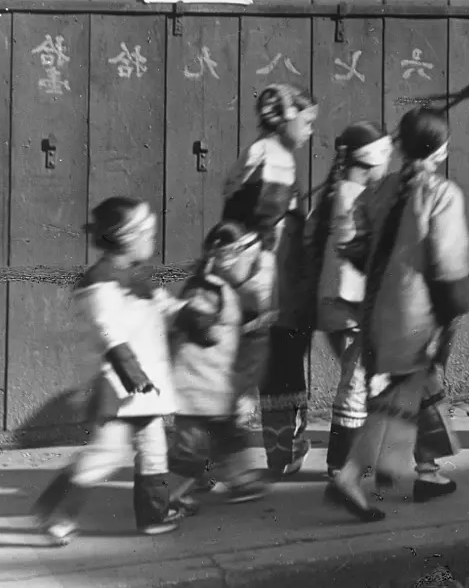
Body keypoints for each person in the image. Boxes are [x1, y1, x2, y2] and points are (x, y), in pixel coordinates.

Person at [31, 196, 210, 545]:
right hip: (122, 387)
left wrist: (197, 317)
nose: (152, 239)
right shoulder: (101, 284)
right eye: (147, 232)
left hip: (145, 389)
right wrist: (136, 382)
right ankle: (58, 514)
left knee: (154, 449)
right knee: (107, 453)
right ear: (127, 237)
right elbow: (109, 334)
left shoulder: (138, 278)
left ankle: (153, 515)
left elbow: (168, 307)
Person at [326, 108, 469, 522]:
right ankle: (352, 478)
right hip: (418, 313)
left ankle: (409, 472)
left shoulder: (381, 188)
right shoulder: (442, 194)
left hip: (379, 312)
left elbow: (352, 243)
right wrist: (450, 314)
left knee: (407, 395)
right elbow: (449, 266)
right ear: (439, 149)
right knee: (401, 400)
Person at [221, 83, 319, 478]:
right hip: (271, 284)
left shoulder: (258, 153)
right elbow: (267, 228)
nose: (311, 130)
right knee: (281, 368)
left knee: (261, 371)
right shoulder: (276, 159)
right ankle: (281, 455)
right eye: (308, 121)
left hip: (248, 282)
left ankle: (270, 455)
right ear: (287, 118)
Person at [165, 221, 277, 512]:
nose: (250, 267)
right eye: (245, 259)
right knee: (191, 448)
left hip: (215, 384)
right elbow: (195, 322)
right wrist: (208, 328)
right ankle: (165, 497)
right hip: (198, 385)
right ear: (227, 259)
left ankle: (238, 479)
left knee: (229, 436)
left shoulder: (220, 287)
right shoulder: (206, 288)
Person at [303, 121, 393, 478]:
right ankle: (341, 466)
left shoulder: (331, 195)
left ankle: (361, 460)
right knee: (358, 384)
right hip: (355, 308)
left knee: (363, 380)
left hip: (330, 308)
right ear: (373, 160)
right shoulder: (358, 200)